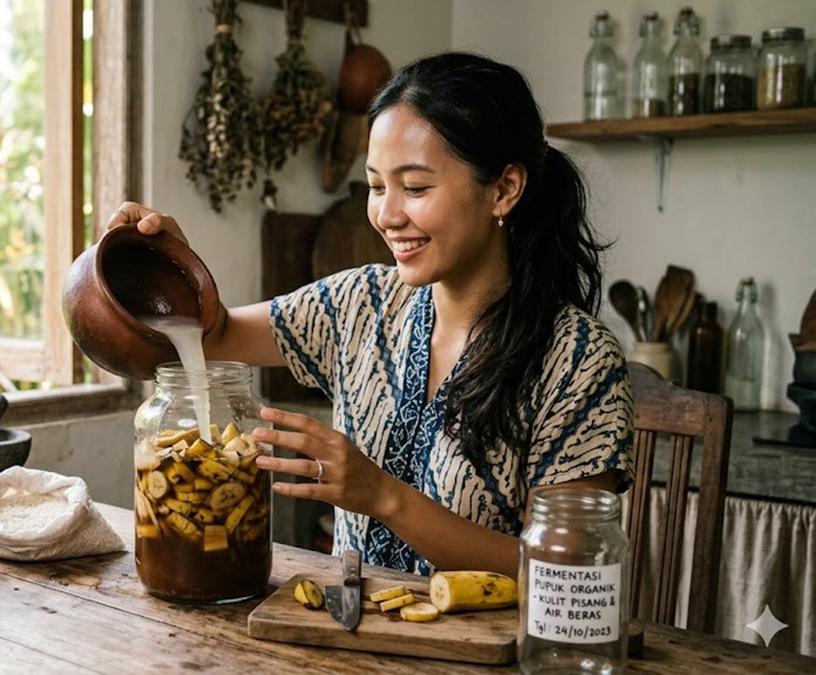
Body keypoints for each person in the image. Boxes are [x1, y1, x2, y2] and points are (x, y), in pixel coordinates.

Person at [105, 52, 632, 578]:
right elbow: (211, 335)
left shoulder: (578, 360)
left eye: (416, 187)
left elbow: (570, 570)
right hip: (352, 636)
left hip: (491, 656)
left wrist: (384, 496)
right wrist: (165, 266)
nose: (387, 214)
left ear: (504, 189)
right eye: (377, 186)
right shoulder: (361, 303)